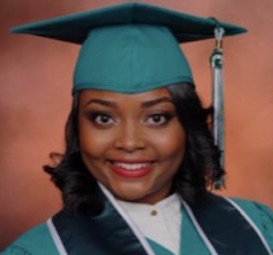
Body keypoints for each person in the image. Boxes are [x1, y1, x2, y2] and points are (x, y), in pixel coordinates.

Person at [2, 2, 273, 255]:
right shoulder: (42, 249)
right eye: (103, 118)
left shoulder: (257, 227)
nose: (129, 142)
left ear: (187, 126)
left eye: (156, 118)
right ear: (78, 130)